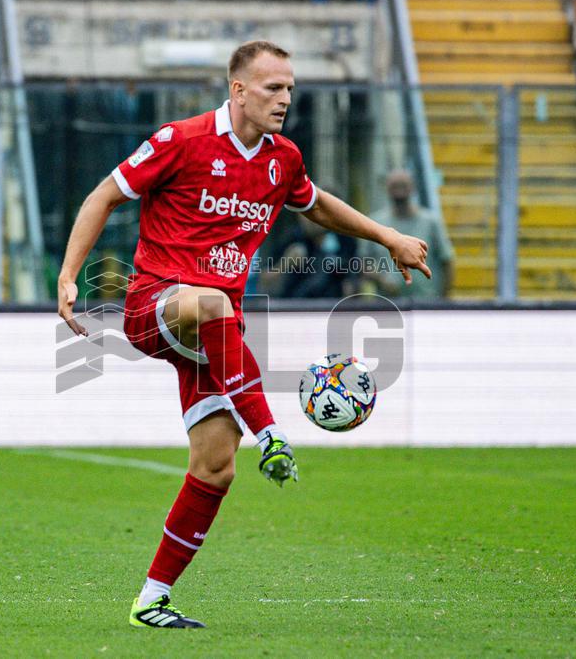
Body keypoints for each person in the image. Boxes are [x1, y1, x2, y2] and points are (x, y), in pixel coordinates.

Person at [56, 40, 431, 629]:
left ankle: (151, 598)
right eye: (272, 88)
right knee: (209, 301)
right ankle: (272, 432)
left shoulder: (283, 159)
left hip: (216, 331)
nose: (285, 99)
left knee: (215, 466)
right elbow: (104, 194)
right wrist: (69, 274)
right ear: (238, 90)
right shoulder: (180, 141)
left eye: (289, 88)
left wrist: (387, 236)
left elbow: (316, 205)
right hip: (158, 308)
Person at [360, 170, 454, 299]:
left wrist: (444, 299)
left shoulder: (431, 223)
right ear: (387, 188)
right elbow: (363, 262)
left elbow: (447, 260)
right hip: (388, 304)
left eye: (403, 185)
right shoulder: (375, 223)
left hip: (426, 302)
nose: (399, 190)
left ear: (413, 188)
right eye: (394, 185)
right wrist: (381, 280)